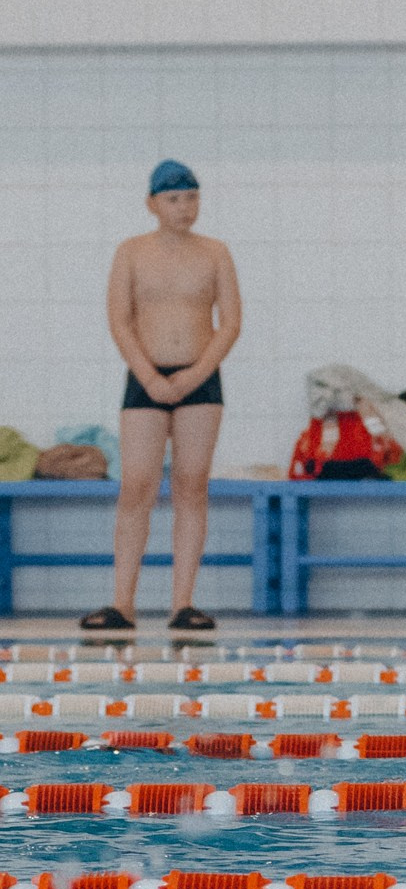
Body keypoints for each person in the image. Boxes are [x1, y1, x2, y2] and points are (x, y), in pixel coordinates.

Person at [85, 161, 242, 633]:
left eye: (192, 197)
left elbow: (230, 323)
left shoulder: (215, 253)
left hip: (201, 380)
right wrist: (150, 377)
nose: (184, 207)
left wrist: (194, 374)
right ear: (152, 204)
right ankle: (123, 605)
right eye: (174, 199)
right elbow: (120, 320)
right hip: (145, 379)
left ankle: (182, 605)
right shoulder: (131, 252)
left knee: (192, 487)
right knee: (136, 486)